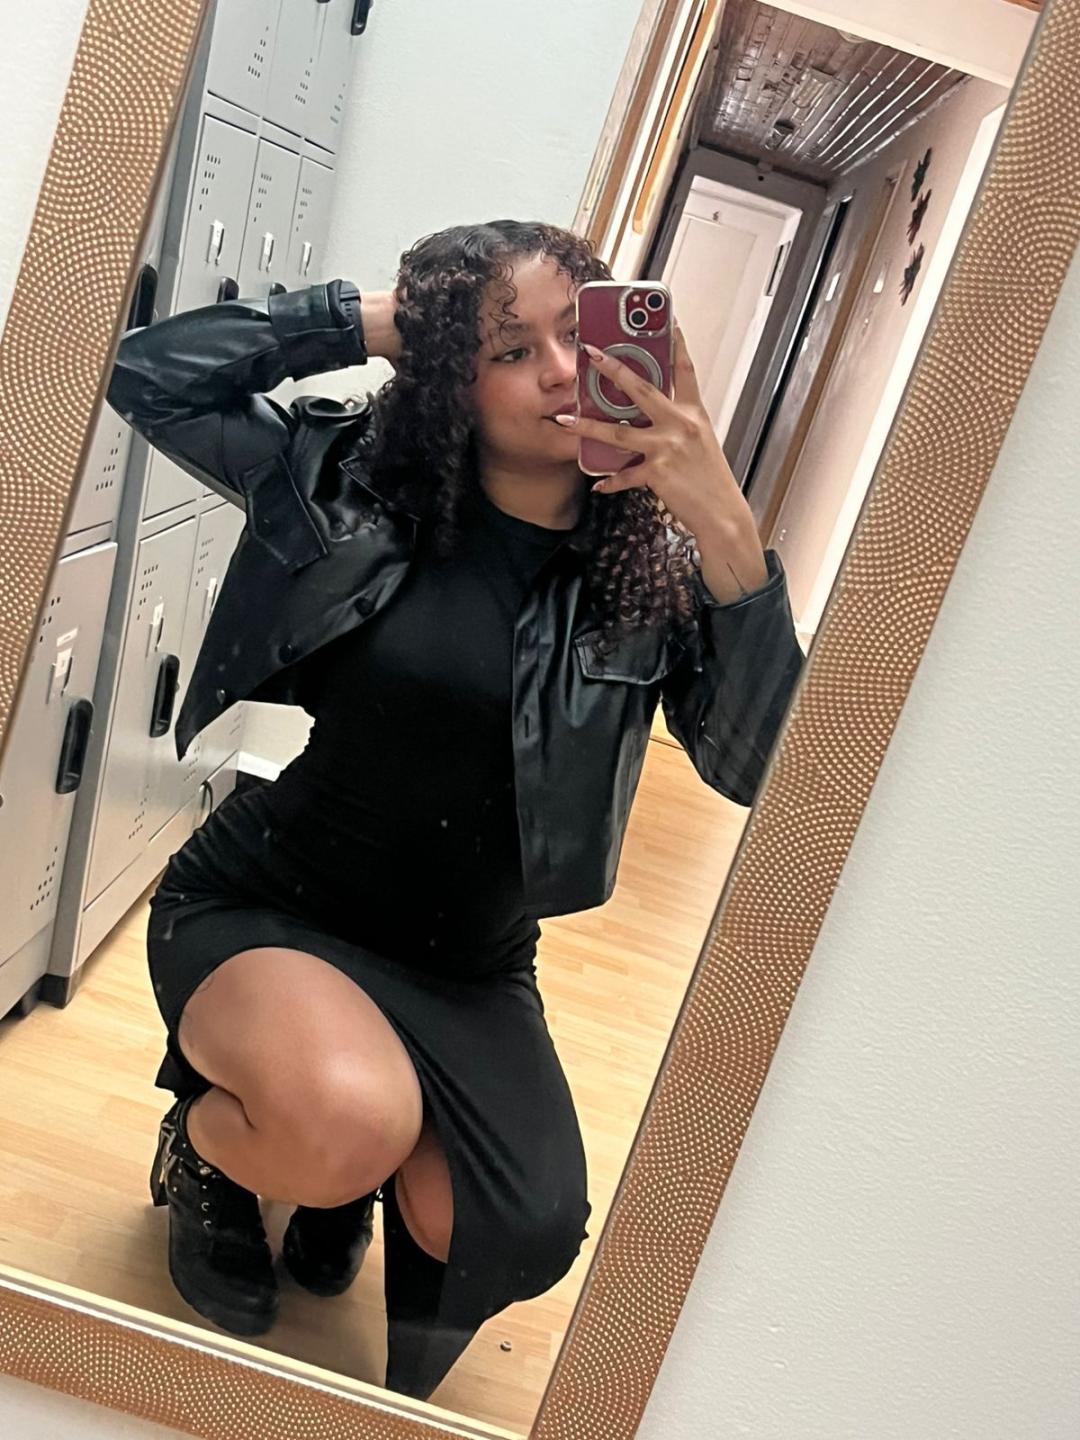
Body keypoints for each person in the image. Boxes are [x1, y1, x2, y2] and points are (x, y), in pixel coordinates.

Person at [106, 219, 805, 1401]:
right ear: (450, 380)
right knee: (342, 1125)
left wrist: (725, 521)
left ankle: (348, 1171)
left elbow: (767, 771)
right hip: (278, 906)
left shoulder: (649, 581)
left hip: (469, 966)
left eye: (578, 336)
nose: (560, 372)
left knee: (525, 1227)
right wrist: (384, 320)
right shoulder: (344, 486)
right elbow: (144, 374)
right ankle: (216, 1151)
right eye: (507, 350)